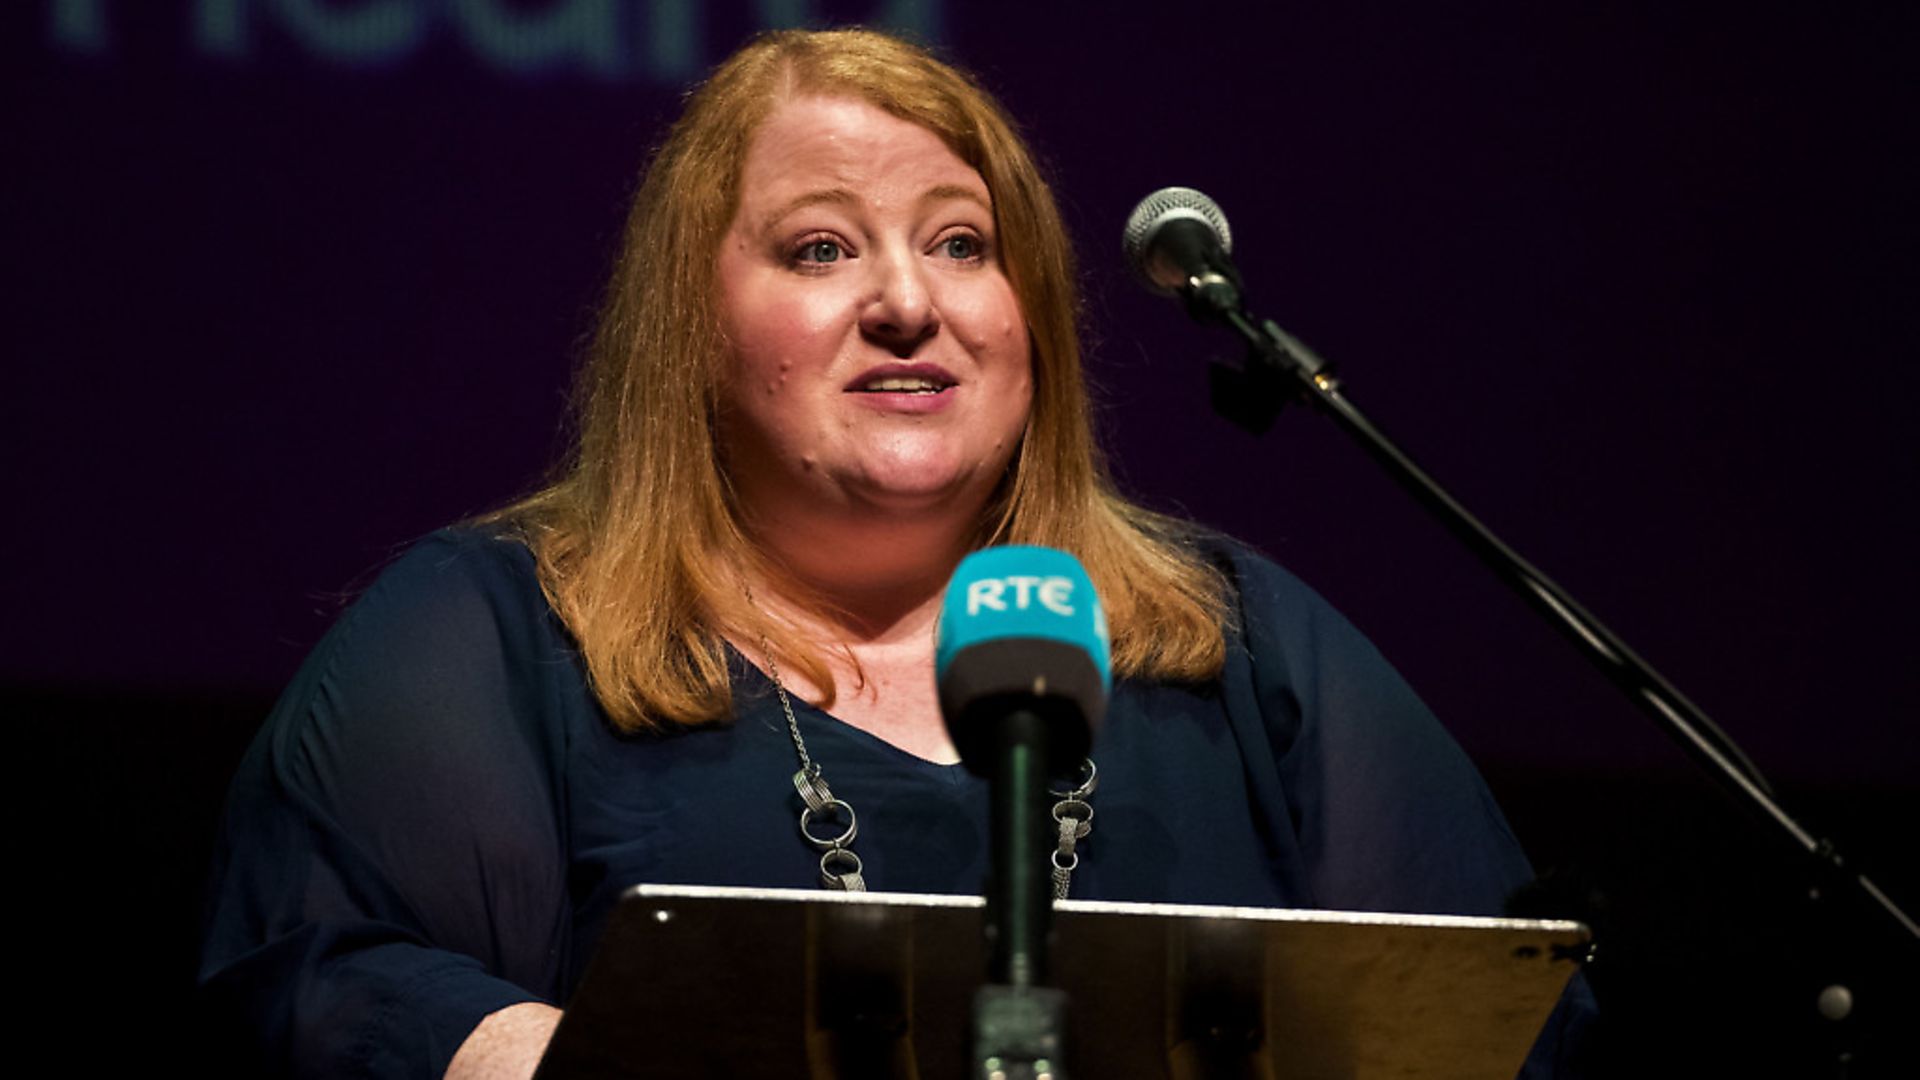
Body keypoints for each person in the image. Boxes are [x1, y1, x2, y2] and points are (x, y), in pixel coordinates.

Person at [200, 27, 1592, 1079]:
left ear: (1027, 319)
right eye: (819, 249)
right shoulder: (498, 637)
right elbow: (322, 986)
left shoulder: (1238, 645)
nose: (909, 302)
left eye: (962, 244)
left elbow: (1509, 1018)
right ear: (692, 328)